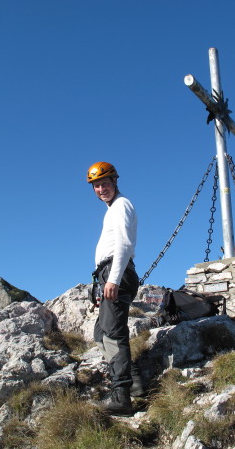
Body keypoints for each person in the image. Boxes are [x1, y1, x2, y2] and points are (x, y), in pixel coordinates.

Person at [87, 161, 140, 416]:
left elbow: (124, 244)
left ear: (115, 182)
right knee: (101, 334)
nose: (100, 189)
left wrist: (113, 280)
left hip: (116, 273)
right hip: (109, 275)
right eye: (96, 185)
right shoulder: (113, 209)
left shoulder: (121, 205)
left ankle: (122, 397)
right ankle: (135, 383)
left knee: (112, 334)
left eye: (104, 183)